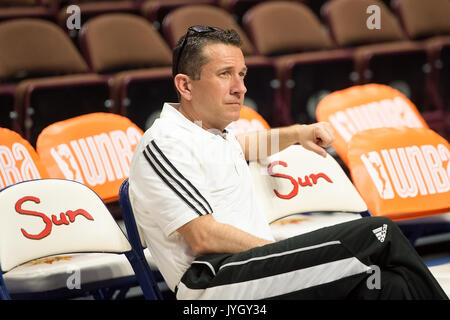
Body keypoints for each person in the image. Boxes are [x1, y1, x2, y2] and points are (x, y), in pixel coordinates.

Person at [128, 26, 447, 300]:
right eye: (224, 74)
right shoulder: (164, 144)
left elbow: (243, 146)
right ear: (185, 85)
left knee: (388, 285)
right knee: (379, 233)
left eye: (241, 74)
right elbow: (203, 236)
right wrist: (278, 252)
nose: (240, 87)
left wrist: (298, 133)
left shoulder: (209, 135)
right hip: (213, 285)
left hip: (251, 270)